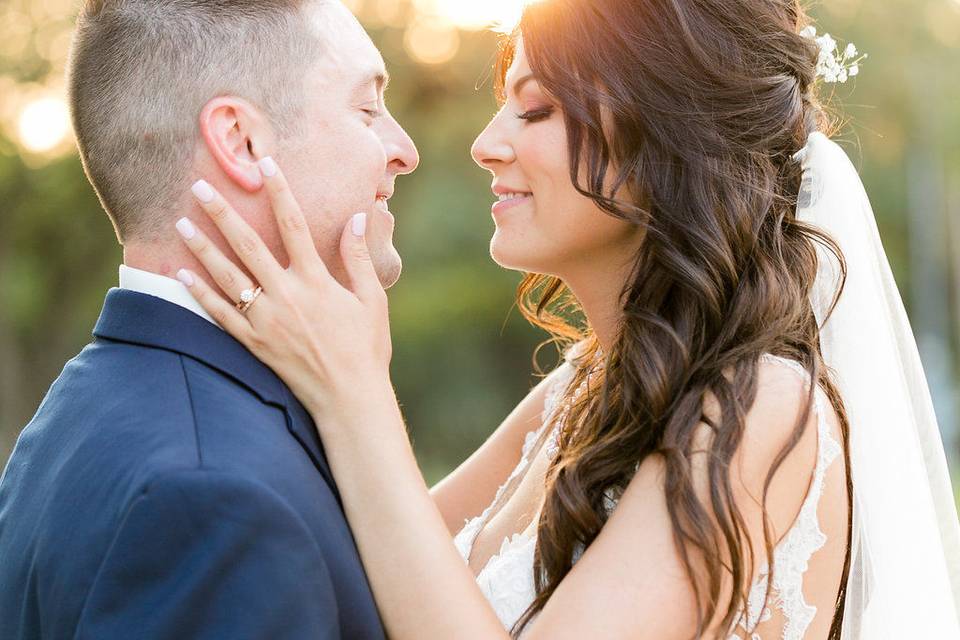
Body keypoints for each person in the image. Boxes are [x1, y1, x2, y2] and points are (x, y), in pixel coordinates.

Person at [175, 0, 960, 638]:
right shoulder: (572, 397)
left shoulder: (757, 408)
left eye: (537, 109)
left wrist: (356, 389)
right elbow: (356, 557)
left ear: (670, 135)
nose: (485, 145)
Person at [0, 1, 417, 638]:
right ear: (241, 142)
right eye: (367, 108)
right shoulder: (214, 499)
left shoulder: (80, 409)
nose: (403, 150)